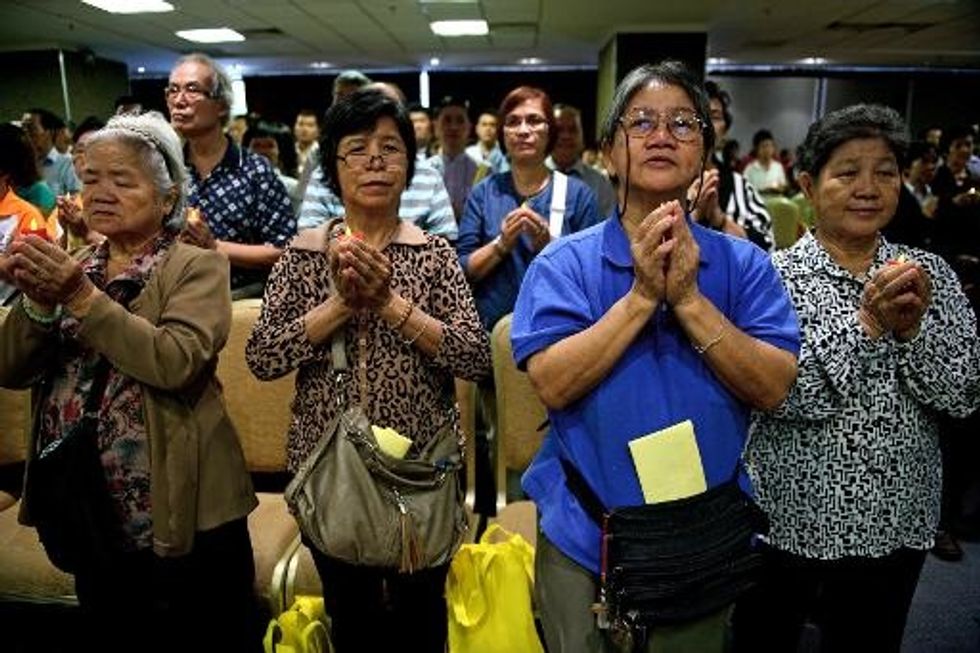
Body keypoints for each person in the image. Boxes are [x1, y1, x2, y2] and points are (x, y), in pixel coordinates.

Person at [511, 61, 800, 653]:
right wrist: (643, 296)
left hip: (701, 536)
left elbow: (773, 386)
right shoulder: (564, 265)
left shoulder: (744, 266)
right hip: (586, 531)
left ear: (704, 156)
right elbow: (553, 383)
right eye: (639, 122)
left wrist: (689, 300)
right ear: (609, 154)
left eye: (683, 124)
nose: (661, 135)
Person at [0, 111, 260, 652]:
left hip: (182, 507)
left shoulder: (195, 266)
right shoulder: (75, 263)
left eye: (123, 180)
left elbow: (175, 361)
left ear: (167, 199)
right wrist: (41, 306)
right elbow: (11, 369)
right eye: (92, 177)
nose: (101, 191)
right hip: (85, 501)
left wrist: (79, 297)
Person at [246, 88, 490, 653]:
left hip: (420, 471)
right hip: (330, 468)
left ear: (409, 165)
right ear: (333, 166)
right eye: (357, 149)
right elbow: (262, 358)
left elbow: (474, 357)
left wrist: (389, 305)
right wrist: (338, 307)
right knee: (351, 618)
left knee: (421, 619)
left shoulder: (433, 255)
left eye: (391, 148)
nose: (376, 161)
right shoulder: (304, 256)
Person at [735, 105, 980, 653]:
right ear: (808, 184)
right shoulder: (771, 279)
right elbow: (783, 396)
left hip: (897, 517)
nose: (868, 188)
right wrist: (868, 324)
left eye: (886, 172)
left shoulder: (929, 274)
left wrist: (915, 332)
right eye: (847, 172)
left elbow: (963, 394)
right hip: (790, 517)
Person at [457, 85, 601, 333]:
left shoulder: (577, 194)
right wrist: (501, 245)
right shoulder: (484, 193)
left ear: (550, 131)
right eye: (513, 122)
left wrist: (549, 246)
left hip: (559, 335)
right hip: (489, 337)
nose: (523, 130)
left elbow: (594, 275)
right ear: (503, 134)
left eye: (534, 120)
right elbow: (462, 270)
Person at [166, 52, 296, 299]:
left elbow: (285, 250)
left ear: (221, 105)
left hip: (239, 299)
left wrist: (213, 246)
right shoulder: (164, 170)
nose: (179, 101)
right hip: (173, 298)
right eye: (172, 90)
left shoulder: (254, 171)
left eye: (192, 90)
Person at [701, 81, 774, 250]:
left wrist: (721, 221)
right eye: (694, 115)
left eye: (714, 117)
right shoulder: (659, 181)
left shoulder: (739, 185)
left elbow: (767, 244)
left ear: (724, 129)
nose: (704, 125)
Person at [549, 103, 617, 218]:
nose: (566, 136)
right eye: (559, 130)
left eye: (573, 130)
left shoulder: (600, 184)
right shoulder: (532, 178)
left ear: (582, 135)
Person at [427, 95, 479, 220]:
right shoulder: (423, 170)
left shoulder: (483, 171)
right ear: (435, 126)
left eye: (460, 121)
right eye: (447, 120)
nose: (453, 127)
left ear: (469, 127)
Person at [743, 128, 788, 195]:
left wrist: (779, 188)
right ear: (757, 149)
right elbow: (745, 191)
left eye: (770, 146)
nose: (767, 150)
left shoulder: (778, 167)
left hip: (776, 203)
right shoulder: (750, 169)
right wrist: (763, 191)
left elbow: (783, 186)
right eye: (764, 146)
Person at [466, 109, 506, 174]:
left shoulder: (504, 160)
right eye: (484, 125)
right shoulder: (467, 154)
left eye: (492, 125)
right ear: (477, 129)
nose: (488, 129)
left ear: (498, 130)